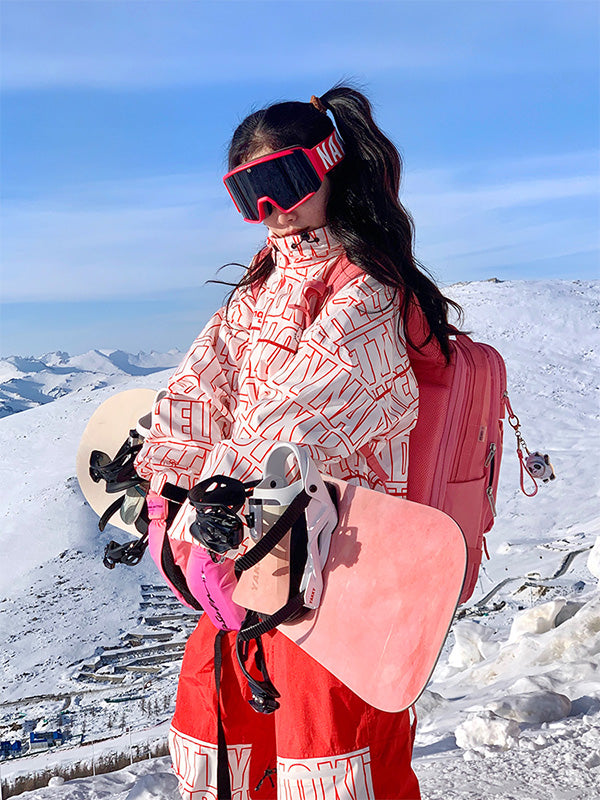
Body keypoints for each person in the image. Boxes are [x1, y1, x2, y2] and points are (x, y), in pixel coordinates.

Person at [134, 85, 460, 800]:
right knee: (226, 728)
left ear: (329, 166)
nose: (270, 210)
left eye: (283, 182)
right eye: (247, 194)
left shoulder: (368, 289)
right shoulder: (255, 291)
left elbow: (306, 411)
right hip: (257, 559)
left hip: (343, 567)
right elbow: (200, 388)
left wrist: (220, 492)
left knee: (330, 752)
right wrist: (166, 484)